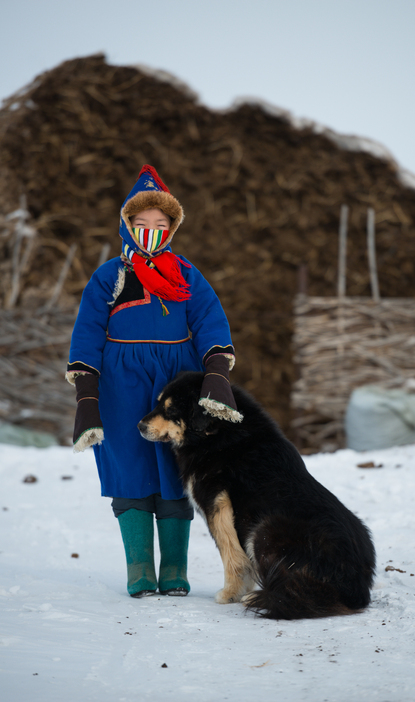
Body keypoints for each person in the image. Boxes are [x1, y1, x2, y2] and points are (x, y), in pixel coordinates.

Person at [66, 165, 242, 598]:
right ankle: (140, 569)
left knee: (176, 466)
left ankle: (175, 569)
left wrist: (216, 374)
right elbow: (87, 331)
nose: (150, 231)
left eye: (160, 224)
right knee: (129, 464)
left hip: (175, 380)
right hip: (120, 382)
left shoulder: (186, 274)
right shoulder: (110, 276)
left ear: (172, 227)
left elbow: (209, 321)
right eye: (140, 224)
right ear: (127, 225)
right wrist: (87, 395)